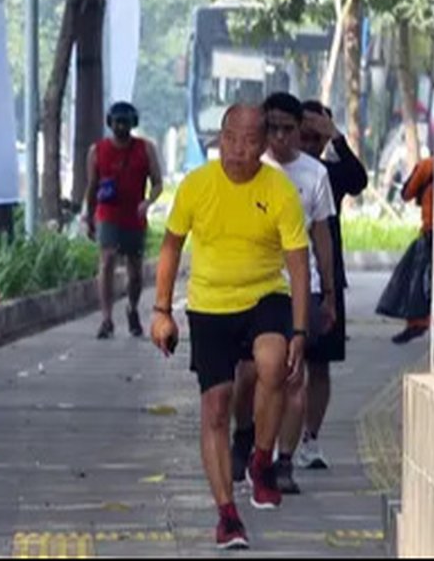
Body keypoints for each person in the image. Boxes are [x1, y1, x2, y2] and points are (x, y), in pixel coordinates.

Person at [149, 104, 310, 550]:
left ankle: (261, 460)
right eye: (232, 139)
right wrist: (162, 310)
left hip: (265, 294)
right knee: (216, 406)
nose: (240, 150)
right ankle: (227, 514)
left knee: (273, 365)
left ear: (265, 145)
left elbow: (297, 262)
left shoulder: (278, 189)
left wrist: (299, 329)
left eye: (251, 141)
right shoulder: (197, 186)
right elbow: (171, 246)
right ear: (220, 138)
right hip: (210, 304)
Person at [231, 93, 335, 496]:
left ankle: (284, 462)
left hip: (298, 290)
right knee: (249, 374)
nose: (278, 137)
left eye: (287, 129)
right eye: (270, 128)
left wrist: (328, 294)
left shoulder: (314, 175)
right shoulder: (248, 170)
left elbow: (322, 236)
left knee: (294, 377)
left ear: (300, 130)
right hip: (252, 289)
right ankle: (246, 436)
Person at [295, 100, 368, 470]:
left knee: (319, 365)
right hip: (283, 280)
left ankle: (310, 438)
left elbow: (359, 181)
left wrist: (335, 137)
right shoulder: (276, 170)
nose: (309, 143)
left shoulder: (328, 173)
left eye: (316, 136)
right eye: (303, 134)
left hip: (326, 281)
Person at [84, 101, 164, 339]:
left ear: (133, 124)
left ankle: (132, 307)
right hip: (108, 213)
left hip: (134, 216)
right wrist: (88, 216)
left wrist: (148, 202)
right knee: (107, 260)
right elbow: (91, 186)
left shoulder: (145, 149)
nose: (121, 127)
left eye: (125, 122)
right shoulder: (97, 151)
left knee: (135, 270)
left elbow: (158, 182)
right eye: (117, 122)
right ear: (110, 123)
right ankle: (106, 318)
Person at [379, 157, 434, 345]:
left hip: (431, 231)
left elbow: (407, 193)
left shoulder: (428, 165)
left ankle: (418, 321)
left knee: (415, 277)